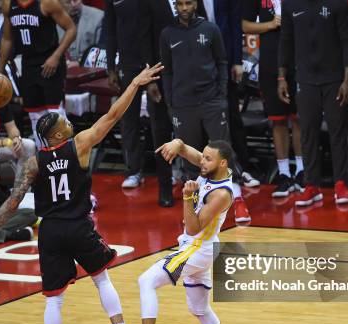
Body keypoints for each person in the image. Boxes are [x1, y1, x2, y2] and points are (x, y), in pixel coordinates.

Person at [0, 63, 164, 324]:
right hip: (77, 225)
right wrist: (134, 82)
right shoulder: (80, 145)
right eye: (65, 124)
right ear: (59, 135)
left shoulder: (34, 163)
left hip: (50, 232)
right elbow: (115, 114)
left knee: (54, 299)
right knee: (102, 279)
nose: (70, 124)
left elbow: (13, 203)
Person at [117, 138, 244, 324]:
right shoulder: (215, 168)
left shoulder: (221, 194)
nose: (202, 161)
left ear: (222, 163)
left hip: (197, 248)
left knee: (146, 281)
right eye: (204, 156)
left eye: (208, 159)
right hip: (203, 248)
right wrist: (178, 143)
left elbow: (193, 226)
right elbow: (188, 152)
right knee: (200, 309)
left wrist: (188, 197)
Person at [160, 0, 251, 223]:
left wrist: (220, 96)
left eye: (188, 3)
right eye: (180, 4)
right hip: (182, 104)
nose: (184, 8)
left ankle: (237, 200)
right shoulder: (167, 34)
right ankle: (197, 207)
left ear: (195, 4)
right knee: (191, 158)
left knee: (223, 152)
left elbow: (221, 62)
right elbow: (167, 71)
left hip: (211, 101)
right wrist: (171, 102)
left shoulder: (210, 29)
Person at [278, 0, 348, 206]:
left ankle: (341, 184)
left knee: (337, 131)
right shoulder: (290, 5)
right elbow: (285, 40)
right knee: (307, 131)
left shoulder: (338, 4)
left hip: (334, 78)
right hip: (305, 78)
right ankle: (311, 185)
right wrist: (281, 77)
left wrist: (347, 80)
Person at [242, 0, 305, 197]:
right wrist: (271, 24)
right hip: (270, 60)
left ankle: (303, 172)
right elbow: (244, 25)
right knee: (278, 120)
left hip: (300, 59)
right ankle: (284, 174)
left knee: (299, 118)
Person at [199, 0, 261, 188]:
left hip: (224, 59)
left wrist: (237, 61)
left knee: (232, 115)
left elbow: (235, 24)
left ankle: (243, 167)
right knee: (199, 117)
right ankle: (202, 171)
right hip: (198, 62)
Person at [0, 0, 76, 148]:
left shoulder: (47, 3)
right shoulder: (9, 4)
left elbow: (71, 29)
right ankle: (44, 157)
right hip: (28, 63)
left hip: (49, 62)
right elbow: (7, 38)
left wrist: (56, 56)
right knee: (35, 116)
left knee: (55, 114)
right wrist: (0, 71)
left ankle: (67, 157)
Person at [139, 0, 176, 207]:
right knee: (160, 132)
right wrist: (150, 79)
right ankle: (165, 188)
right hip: (159, 76)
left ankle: (195, 184)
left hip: (187, 75)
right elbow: (144, 38)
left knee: (190, 132)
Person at [104, 0, 145, 189]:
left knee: (161, 118)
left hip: (153, 58)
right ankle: (134, 170)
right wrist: (111, 66)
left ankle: (170, 169)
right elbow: (110, 28)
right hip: (127, 62)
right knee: (129, 119)